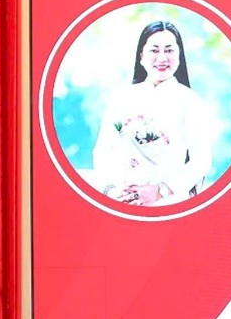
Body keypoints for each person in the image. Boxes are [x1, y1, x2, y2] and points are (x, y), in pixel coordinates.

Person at [90, 20, 212, 206]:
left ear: (179, 55)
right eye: (154, 50)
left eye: (169, 50)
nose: (162, 58)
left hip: (170, 204)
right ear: (141, 56)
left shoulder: (189, 101)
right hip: (122, 201)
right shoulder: (121, 98)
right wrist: (112, 191)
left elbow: (201, 160)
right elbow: (103, 151)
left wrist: (160, 191)